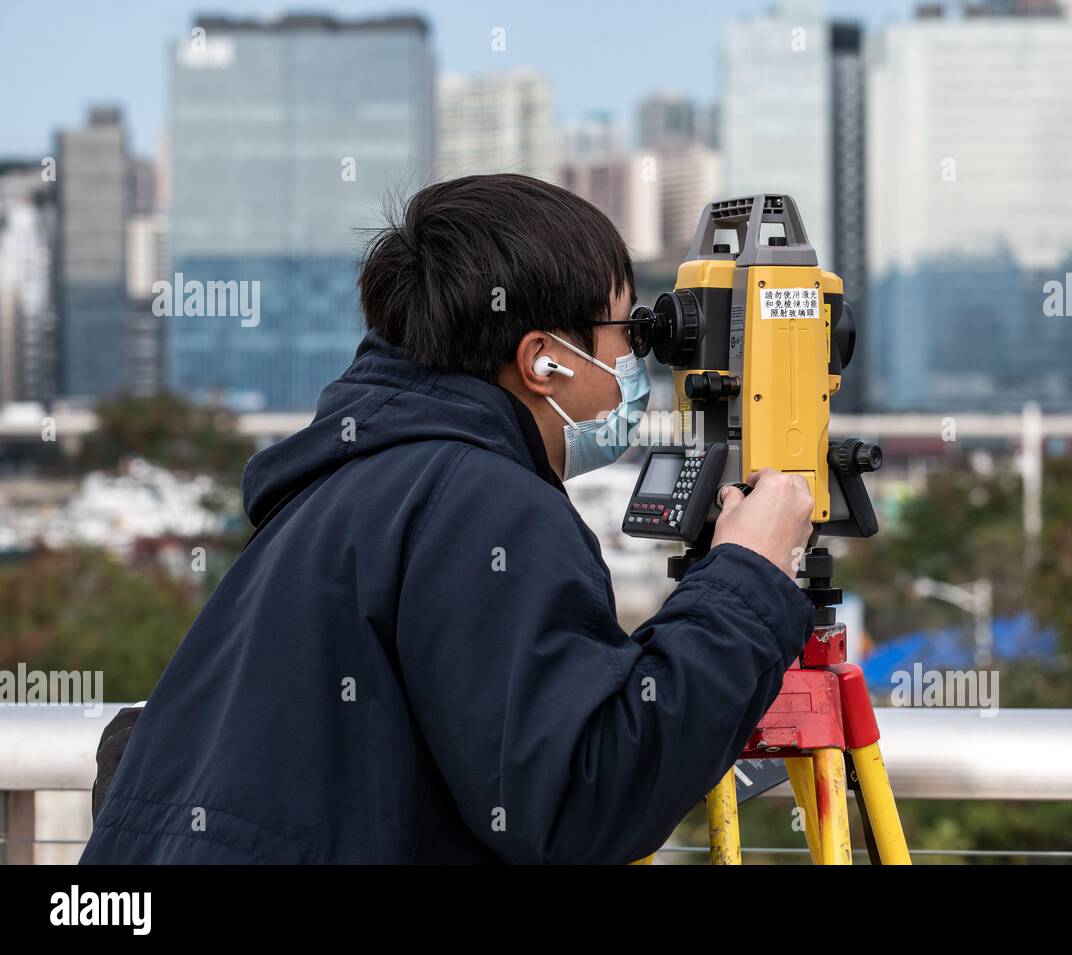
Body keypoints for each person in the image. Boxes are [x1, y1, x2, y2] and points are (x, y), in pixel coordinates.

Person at [81, 174, 815, 864]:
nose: (639, 362)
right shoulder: (485, 502)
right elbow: (578, 796)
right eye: (629, 331)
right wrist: (745, 582)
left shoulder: (341, 482)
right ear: (545, 362)